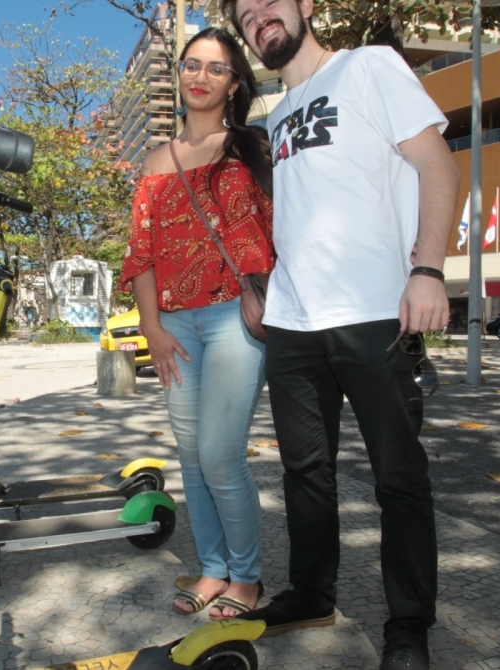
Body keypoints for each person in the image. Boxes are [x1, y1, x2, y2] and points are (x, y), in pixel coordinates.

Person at [220, 1, 460, 667]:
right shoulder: (276, 115)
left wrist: (429, 271)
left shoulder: (368, 67)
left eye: (269, 2)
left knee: (398, 477)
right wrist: (258, 289)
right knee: (304, 471)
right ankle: (311, 592)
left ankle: (408, 626)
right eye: (245, 14)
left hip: (377, 310)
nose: (259, 16)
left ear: (301, 5)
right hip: (293, 322)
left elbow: (439, 167)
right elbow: (298, 217)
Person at [119, 27, 275, 622]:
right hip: (176, 325)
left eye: (215, 68)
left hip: (237, 314)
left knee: (218, 452)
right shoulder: (156, 160)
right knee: (189, 454)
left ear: (234, 82)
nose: (199, 76)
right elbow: (141, 252)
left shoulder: (253, 147)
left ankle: (248, 576)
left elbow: (284, 227)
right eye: (191, 65)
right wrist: (152, 327)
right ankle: (213, 568)